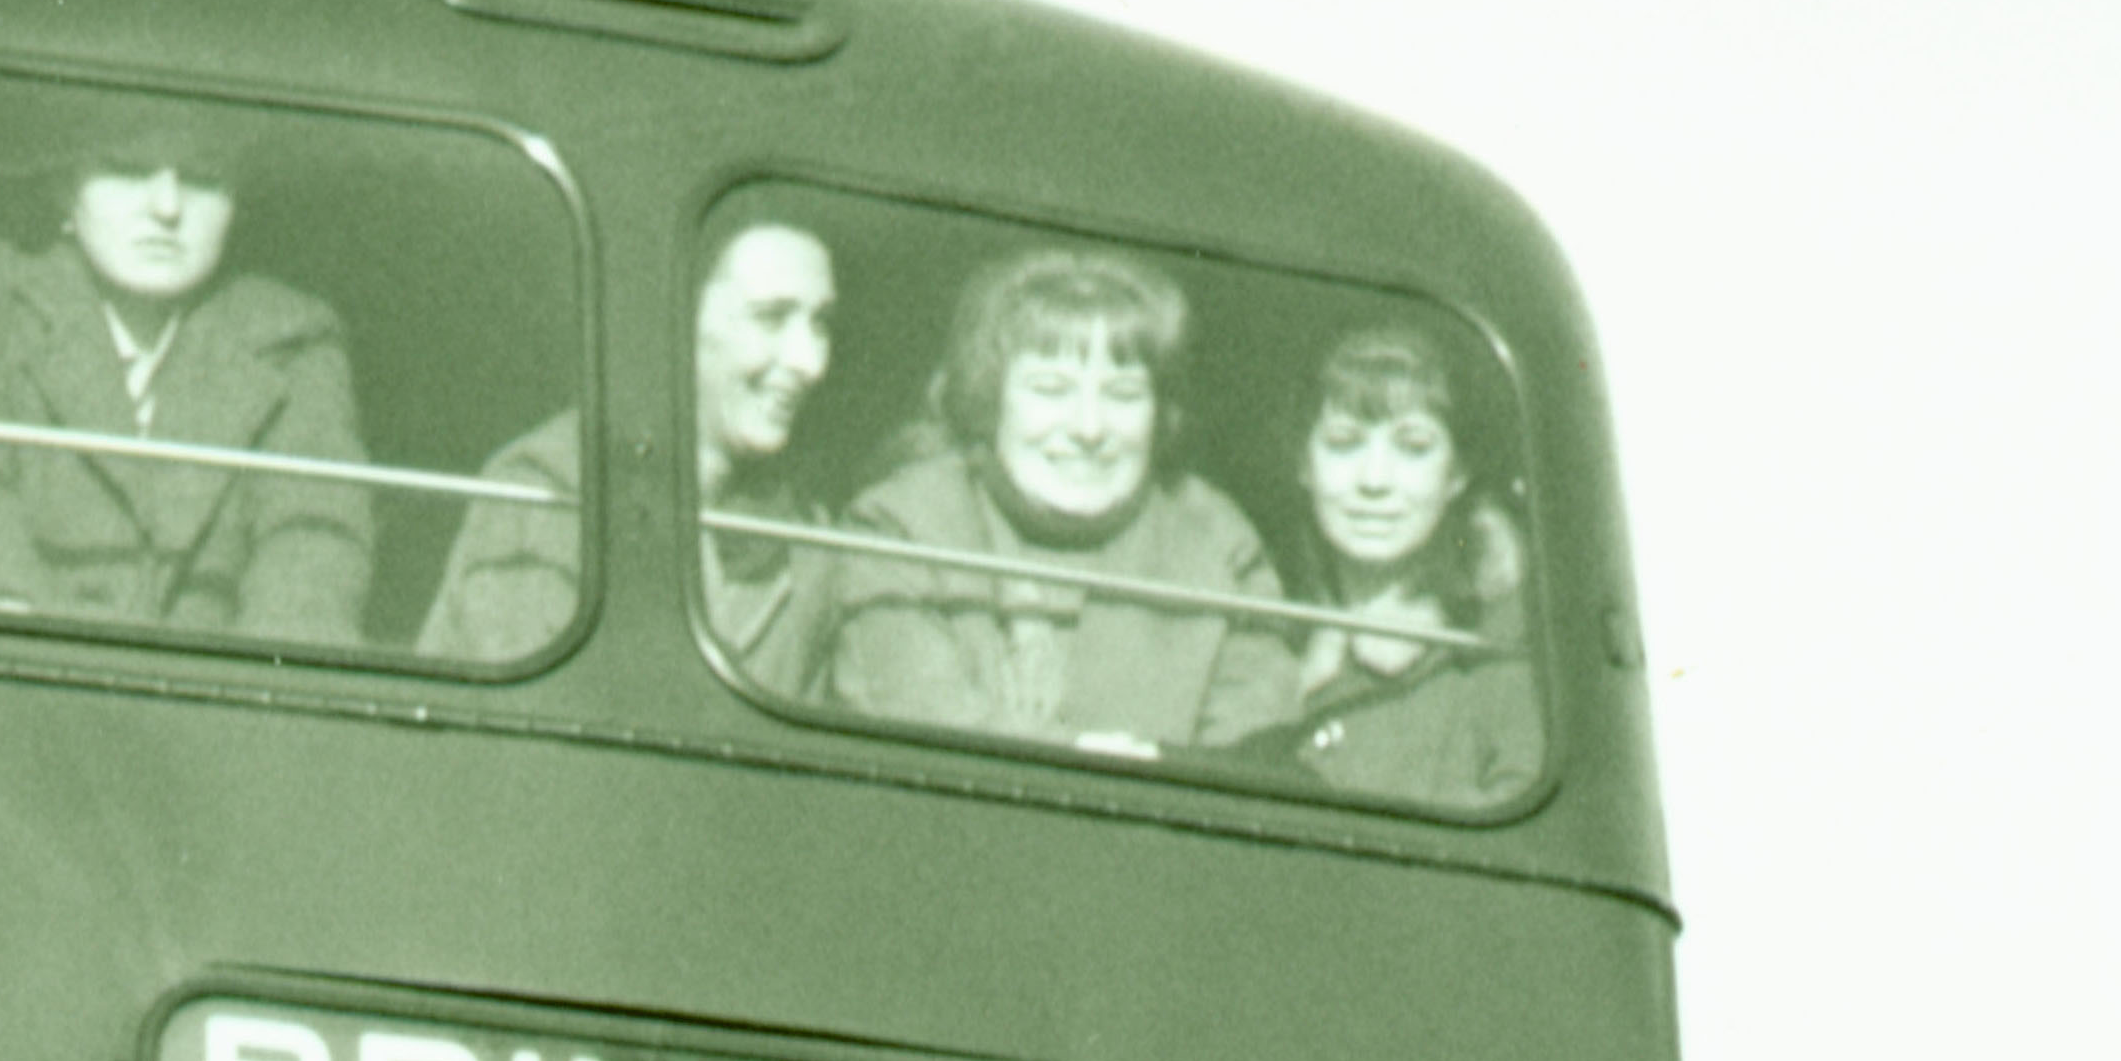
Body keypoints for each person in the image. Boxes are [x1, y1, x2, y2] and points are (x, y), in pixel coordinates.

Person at [0, 127, 376, 647]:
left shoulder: (288, 336)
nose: (167, 207)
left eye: (204, 178)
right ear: (64, 186)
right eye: (127, 167)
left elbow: (315, 537)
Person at [810, 244, 1284, 757]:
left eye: (1123, 393)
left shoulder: (1215, 543)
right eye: (1050, 388)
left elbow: (1251, 757)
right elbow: (916, 722)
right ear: (991, 398)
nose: (1088, 427)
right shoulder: (899, 523)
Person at [419, 211, 844, 687]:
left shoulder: (809, 543)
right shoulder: (551, 490)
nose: (809, 362)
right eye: (771, 318)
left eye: (821, 324)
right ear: (677, 318)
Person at [1211, 314, 1540, 802]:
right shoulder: (1255, 615)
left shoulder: (1500, 645)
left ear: (1457, 473)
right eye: (1344, 443)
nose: (1374, 479)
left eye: (1413, 448)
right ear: (1303, 461)